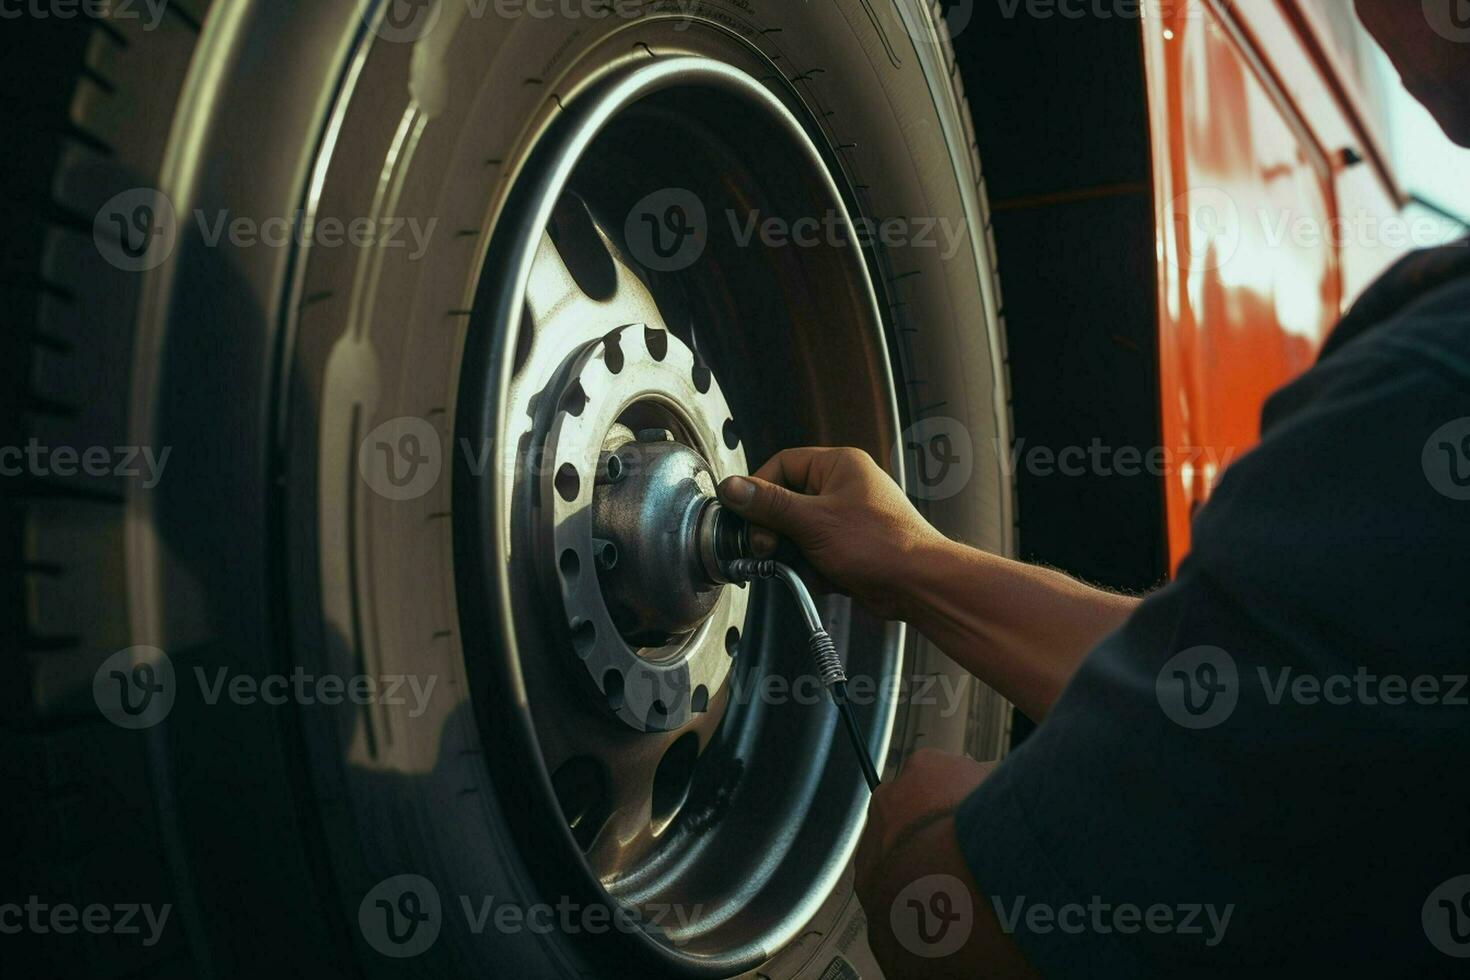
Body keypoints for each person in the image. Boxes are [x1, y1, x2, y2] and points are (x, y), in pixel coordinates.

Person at [715, 2, 1470, 975]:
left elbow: (981, 931)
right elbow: (1244, 692)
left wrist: (917, 838)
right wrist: (914, 563)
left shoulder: (1431, 378)